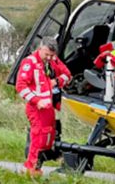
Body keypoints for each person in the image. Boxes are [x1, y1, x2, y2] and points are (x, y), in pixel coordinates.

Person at [15, 36, 71, 177]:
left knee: (49, 137)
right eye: (46, 54)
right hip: (36, 108)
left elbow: (67, 76)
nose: (49, 58)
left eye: (52, 55)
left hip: (49, 107)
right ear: (40, 49)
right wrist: (36, 100)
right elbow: (21, 86)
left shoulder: (52, 61)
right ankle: (31, 168)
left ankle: (40, 164)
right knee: (38, 138)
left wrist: (56, 81)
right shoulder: (29, 63)